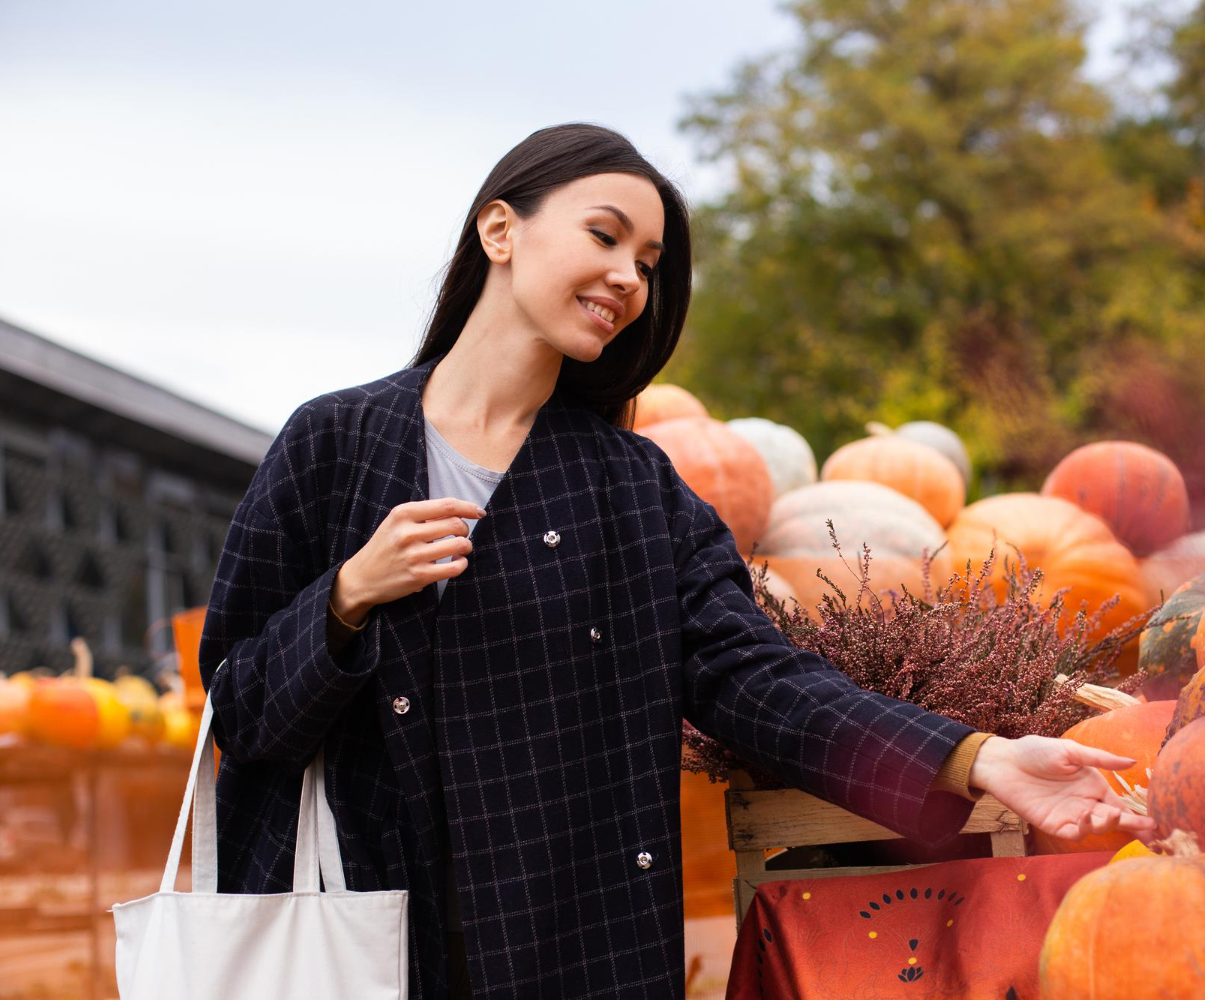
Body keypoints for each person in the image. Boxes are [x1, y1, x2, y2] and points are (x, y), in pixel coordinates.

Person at [196, 122, 1154, 1000]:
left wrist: (978, 760)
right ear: (500, 229)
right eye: (605, 236)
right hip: (363, 945)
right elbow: (237, 707)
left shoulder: (632, 487)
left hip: (574, 951)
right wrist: (349, 595)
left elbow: (757, 682)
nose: (629, 278)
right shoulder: (334, 444)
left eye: (648, 263)